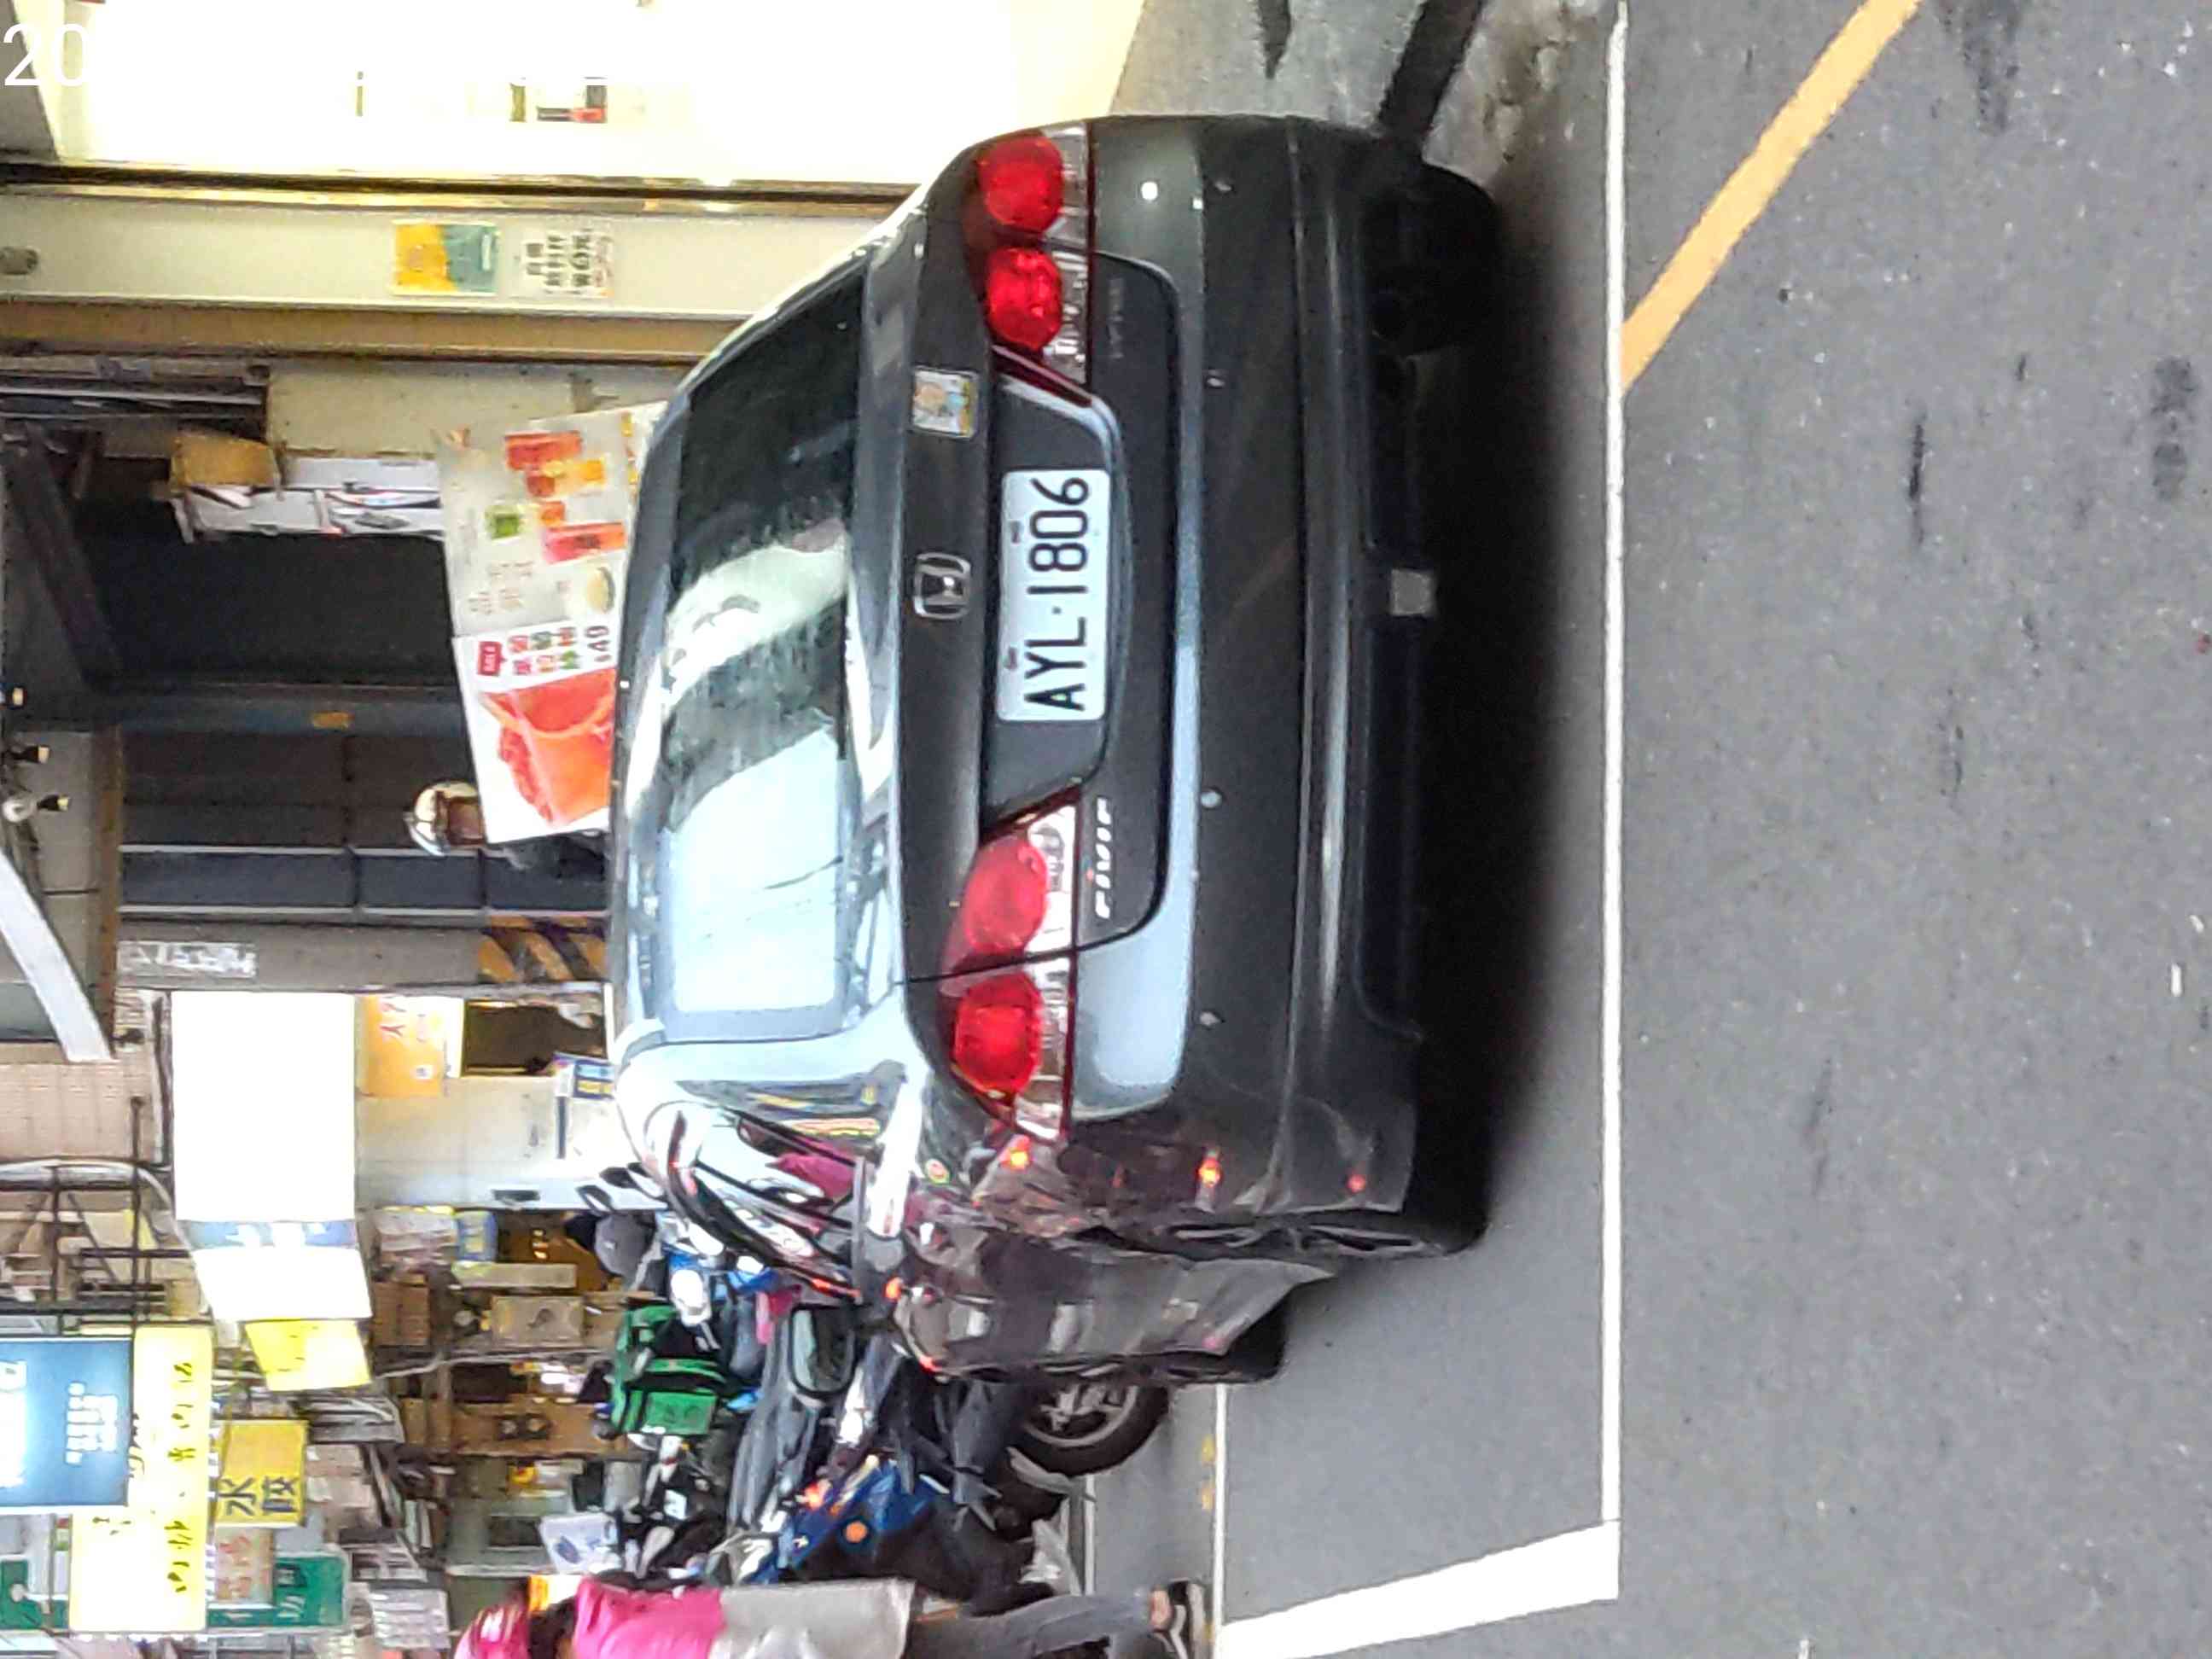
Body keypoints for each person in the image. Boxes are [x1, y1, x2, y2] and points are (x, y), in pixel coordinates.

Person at [456, 1571, 1207, 1659]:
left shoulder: (622, 1650)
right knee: (999, 1639)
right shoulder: (610, 1616)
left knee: (1002, 1640)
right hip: (852, 1628)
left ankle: (1145, 1610)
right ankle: (1142, 1610)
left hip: (845, 1652)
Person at [407, 779, 606, 882]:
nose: (467, 827)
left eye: (461, 816)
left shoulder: (514, 770)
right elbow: (606, 871)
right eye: (459, 834)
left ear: (460, 793)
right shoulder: (529, 857)